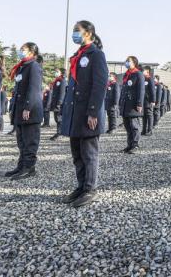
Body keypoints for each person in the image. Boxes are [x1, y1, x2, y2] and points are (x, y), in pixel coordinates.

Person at [61, 20, 108, 207]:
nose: (74, 34)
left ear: (88, 33)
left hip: (87, 112)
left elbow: (99, 85)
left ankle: (90, 189)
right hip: (75, 112)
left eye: (77, 31)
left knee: (89, 153)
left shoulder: (96, 55)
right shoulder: (77, 55)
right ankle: (81, 186)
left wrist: (93, 112)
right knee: (77, 154)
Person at [4, 43, 43, 180]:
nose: (21, 52)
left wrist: (28, 107)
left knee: (30, 141)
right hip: (20, 110)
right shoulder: (23, 66)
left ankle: (29, 168)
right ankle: (21, 166)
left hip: (30, 111)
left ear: (32, 52)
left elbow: (33, 89)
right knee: (21, 141)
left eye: (23, 50)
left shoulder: (33, 66)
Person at [119, 56, 144, 154]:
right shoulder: (127, 74)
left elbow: (141, 90)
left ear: (134, 62)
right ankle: (129, 145)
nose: (126, 62)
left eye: (128, 61)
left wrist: (139, 103)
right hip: (126, 104)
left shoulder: (138, 74)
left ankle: (135, 145)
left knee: (134, 126)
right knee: (127, 126)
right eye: (126, 61)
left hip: (133, 104)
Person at [50, 68, 67, 140]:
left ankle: (59, 132)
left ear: (61, 73)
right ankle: (61, 132)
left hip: (59, 104)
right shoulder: (57, 80)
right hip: (55, 103)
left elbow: (62, 93)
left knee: (59, 118)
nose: (55, 73)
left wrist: (59, 103)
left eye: (57, 71)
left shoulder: (62, 81)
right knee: (57, 118)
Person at [141, 66, 156, 136]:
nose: (142, 72)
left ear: (147, 71)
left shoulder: (150, 79)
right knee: (144, 116)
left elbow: (153, 90)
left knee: (149, 115)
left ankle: (150, 130)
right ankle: (144, 130)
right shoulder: (143, 79)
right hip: (143, 101)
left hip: (149, 100)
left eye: (143, 70)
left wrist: (153, 100)